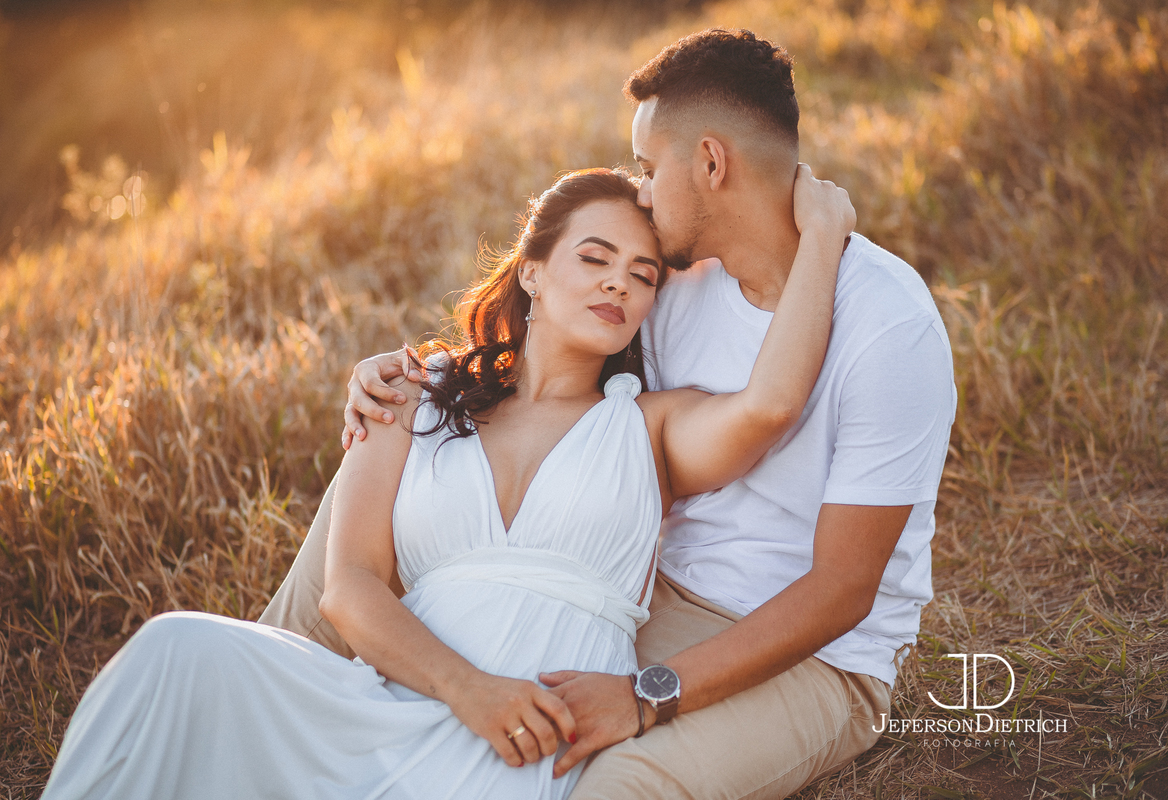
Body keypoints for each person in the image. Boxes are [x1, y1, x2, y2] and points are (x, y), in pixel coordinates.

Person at [269, 28, 956, 800]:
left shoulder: (888, 325)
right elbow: (548, 358)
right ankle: (263, 682)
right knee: (385, 468)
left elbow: (842, 590)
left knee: (614, 784)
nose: (641, 193)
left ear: (711, 163)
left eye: (648, 168)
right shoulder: (674, 283)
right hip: (650, 596)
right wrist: (402, 380)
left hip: (812, 649)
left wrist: (646, 694)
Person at [42, 164, 855, 800]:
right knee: (174, 648)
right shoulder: (415, 391)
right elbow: (349, 586)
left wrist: (821, 235)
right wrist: (470, 690)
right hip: (398, 699)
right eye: (594, 258)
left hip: (532, 735)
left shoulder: (649, 428)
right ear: (531, 273)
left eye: (642, 275)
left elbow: (773, 403)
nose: (618, 283)